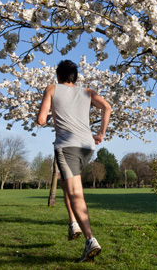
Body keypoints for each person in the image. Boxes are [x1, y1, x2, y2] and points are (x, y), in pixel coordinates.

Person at [36, 59, 111, 262]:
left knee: (76, 192)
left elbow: (41, 120)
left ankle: (90, 240)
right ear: (74, 77)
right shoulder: (87, 92)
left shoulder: (52, 89)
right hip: (87, 147)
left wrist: (50, 112)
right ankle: (73, 222)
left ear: (58, 76)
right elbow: (107, 108)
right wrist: (101, 133)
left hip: (67, 147)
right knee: (66, 183)